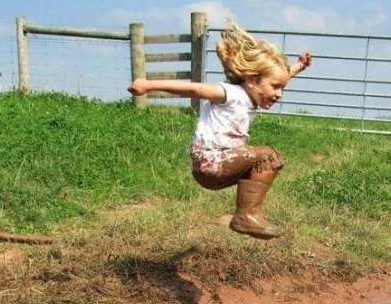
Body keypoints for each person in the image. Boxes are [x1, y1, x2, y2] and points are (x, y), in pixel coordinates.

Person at [128, 20, 311, 240]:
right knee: (268, 156)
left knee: (266, 162)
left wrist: (299, 66)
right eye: (275, 87)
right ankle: (246, 216)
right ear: (253, 80)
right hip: (211, 162)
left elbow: (280, 76)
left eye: (282, 88)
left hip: (220, 166)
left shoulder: (250, 93)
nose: (279, 94)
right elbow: (195, 89)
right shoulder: (229, 93)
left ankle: (248, 215)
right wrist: (148, 85)